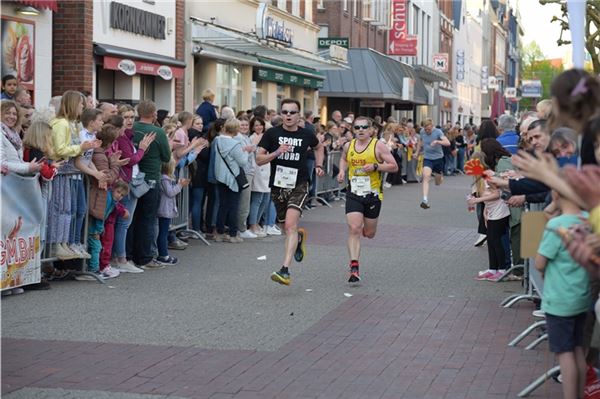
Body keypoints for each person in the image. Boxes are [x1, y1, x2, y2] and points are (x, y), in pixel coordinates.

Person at [256, 99, 325, 286]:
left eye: (292, 112)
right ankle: (299, 238)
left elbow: (319, 147)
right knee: (285, 227)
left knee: (290, 225)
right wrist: (276, 153)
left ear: (298, 115)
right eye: (285, 112)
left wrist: (319, 165)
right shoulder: (272, 134)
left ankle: (285, 270)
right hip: (278, 185)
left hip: (300, 183)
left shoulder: (307, 134)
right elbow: (259, 159)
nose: (288, 115)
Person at [535, 190, 590, 399]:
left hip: (559, 298)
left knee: (564, 352)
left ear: (556, 193)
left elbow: (540, 262)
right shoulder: (587, 221)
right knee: (577, 348)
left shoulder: (556, 226)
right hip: (581, 295)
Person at [336, 117, 398, 283]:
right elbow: (343, 158)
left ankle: (365, 229)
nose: (361, 130)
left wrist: (376, 166)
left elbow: (394, 166)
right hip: (354, 193)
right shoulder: (349, 145)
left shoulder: (378, 145)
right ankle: (354, 266)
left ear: (371, 130)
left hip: (372, 195)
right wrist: (342, 171)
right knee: (354, 228)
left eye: (364, 127)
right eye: (357, 127)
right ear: (353, 129)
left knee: (369, 234)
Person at [130, 100, 171, 269]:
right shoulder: (158, 132)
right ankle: (145, 257)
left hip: (133, 177)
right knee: (147, 219)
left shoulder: (131, 129)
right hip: (151, 178)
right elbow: (167, 157)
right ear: (154, 113)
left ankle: (129, 255)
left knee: (132, 218)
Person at [467, 152, 511, 281]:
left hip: (500, 211)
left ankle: (501, 269)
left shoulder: (487, 175)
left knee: (496, 241)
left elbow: (497, 193)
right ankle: (492, 269)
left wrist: (478, 200)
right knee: (491, 241)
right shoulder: (481, 176)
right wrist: (485, 210)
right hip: (492, 211)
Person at [213, 118, 248, 243]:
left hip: (221, 177)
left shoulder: (217, 141)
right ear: (236, 130)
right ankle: (233, 234)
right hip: (233, 178)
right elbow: (243, 161)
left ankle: (220, 233)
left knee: (223, 205)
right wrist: (247, 152)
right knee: (234, 206)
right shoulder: (235, 144)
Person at [157, 158, 189, 265]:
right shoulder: (164, 179)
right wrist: (180, 185)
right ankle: (163, 255)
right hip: (164, 210)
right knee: (163, 233)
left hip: (166, 209)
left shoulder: (166, 178)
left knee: (163, 232)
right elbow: (170, 193)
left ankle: (163, 253)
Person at [418, 119, 450, 209]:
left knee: (437, 182)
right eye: (426, 129)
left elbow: (448, 143)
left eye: (429, 129)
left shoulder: (438, 132)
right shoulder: (422, 132)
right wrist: (417, 152)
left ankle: (440, 176)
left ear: (432, 126)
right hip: (427, 158)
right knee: (426, 176)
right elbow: (420, 141)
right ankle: (425, 200)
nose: (427, 131)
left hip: (438, 159)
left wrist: (437, 141)